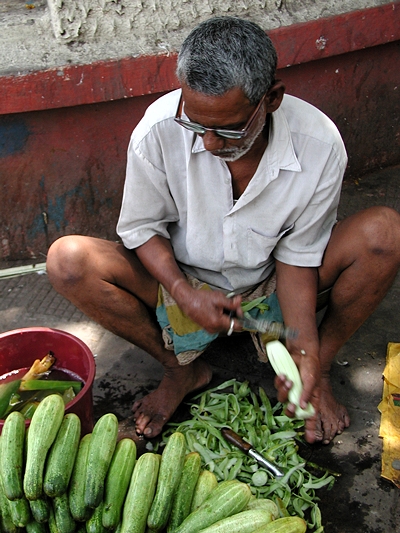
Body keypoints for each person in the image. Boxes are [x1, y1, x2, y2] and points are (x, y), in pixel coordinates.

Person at [46, 16, 400, 445]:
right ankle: (181, 367)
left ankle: (317, 370)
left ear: (272, 98)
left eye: (229, 129)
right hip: (178, 280)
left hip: (271, 284)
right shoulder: (158, 130)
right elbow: (141, 228)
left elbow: (299, 257)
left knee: (385, 233)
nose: (209, 143)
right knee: (67, 261)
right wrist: (183, 291)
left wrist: (305, 351)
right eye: (197, 126)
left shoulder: (319, 145)